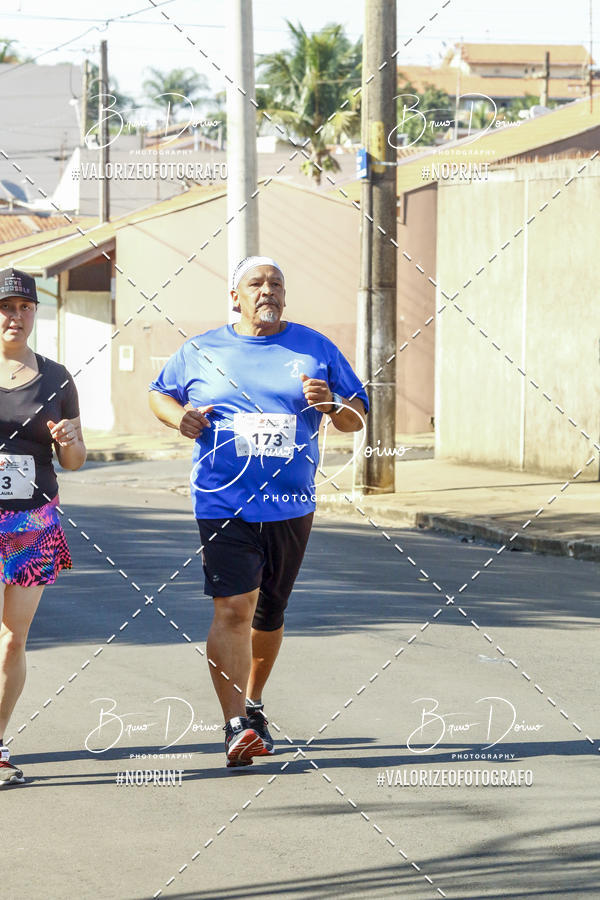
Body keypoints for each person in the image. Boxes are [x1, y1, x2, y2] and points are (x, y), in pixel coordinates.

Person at [149, 255, 368, 768]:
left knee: (269, 612)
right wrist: (180, 417)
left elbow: (358, 417)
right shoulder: (201, 350)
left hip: (291, 504)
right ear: (235, 296)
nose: (266, 290)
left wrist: (333, 405)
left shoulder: (315, 348)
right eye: (256, 283)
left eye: (275, 284)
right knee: (232, 608)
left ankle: (254, 702)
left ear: (285, 296)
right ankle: (233, 727)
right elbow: (159, 394)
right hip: (222, 500)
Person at [0, 268, 86, 785]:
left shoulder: (56, 377)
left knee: (13, 637)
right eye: (6, 307)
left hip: (33, 518)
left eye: (24, 307)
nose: (15, 316)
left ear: (35, 313)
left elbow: (75, 460)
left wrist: (67, 438)